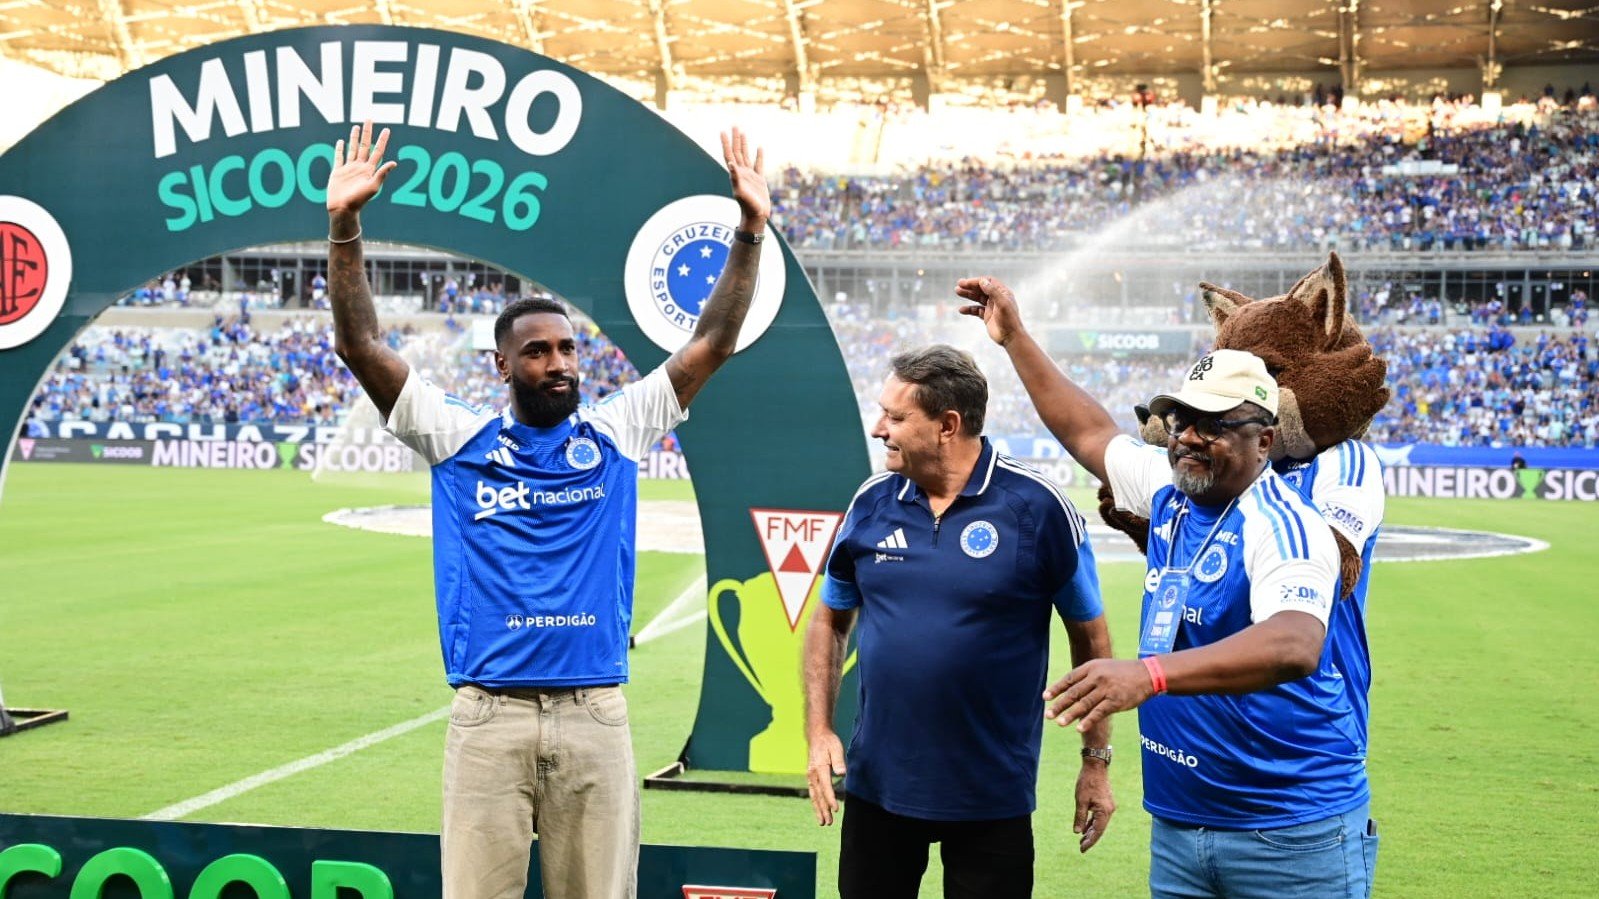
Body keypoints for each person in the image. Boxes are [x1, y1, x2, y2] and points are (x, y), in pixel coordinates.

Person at [324, 121, 771, 899]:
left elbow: (713, 341)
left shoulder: (616, 429)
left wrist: (750, 232)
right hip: (488, 718)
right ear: (502, 363)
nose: (558, 362)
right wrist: (344, 229)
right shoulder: (456, 434)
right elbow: (362, 344)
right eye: (537, 351)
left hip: (594, 712)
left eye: (567, 348)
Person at [958, 276, 1375, 899]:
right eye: (1182, 417)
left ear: (1264, 441)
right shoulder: (1170, 487)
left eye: (1214, 423)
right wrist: (1015, 338)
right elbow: (1089, 432)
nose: (1187, 436)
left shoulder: (1287, 525)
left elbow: (1294, 644)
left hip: (1290, 830)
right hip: (1181, 824)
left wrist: (1148, 675)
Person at [803, 344, 1114, 899]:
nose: (878, 429)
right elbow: (829, 619)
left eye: (896, 417)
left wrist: (1095, 761)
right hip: (879, 789)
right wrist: (819, 730)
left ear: (948, 425)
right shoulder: (871, 502)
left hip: (991, 796)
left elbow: (1090, 637)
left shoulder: (1038, 507)